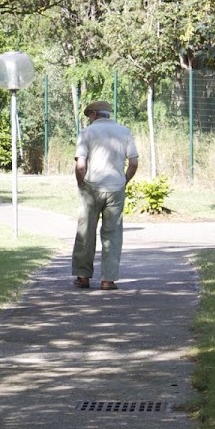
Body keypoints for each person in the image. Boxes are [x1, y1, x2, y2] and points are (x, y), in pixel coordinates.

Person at [72, 101, 139, 290]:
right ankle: (108, 279)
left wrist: (81, 182)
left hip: (91, 186)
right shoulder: (124, 131)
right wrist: (123, 180)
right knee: (113, 233)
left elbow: (81, 165)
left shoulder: (86, 133)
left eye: (89, 115)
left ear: (94, 114)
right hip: (116, 187)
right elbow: (133, 162)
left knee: (86, 231)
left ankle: (83, 276)